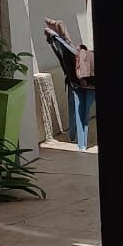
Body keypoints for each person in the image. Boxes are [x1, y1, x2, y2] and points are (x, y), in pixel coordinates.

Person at [44, 18, 96, 150]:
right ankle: (64, 37)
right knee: (82, 57)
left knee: (78, 56)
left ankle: (65, 37)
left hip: (76, 77)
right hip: (85, 80)